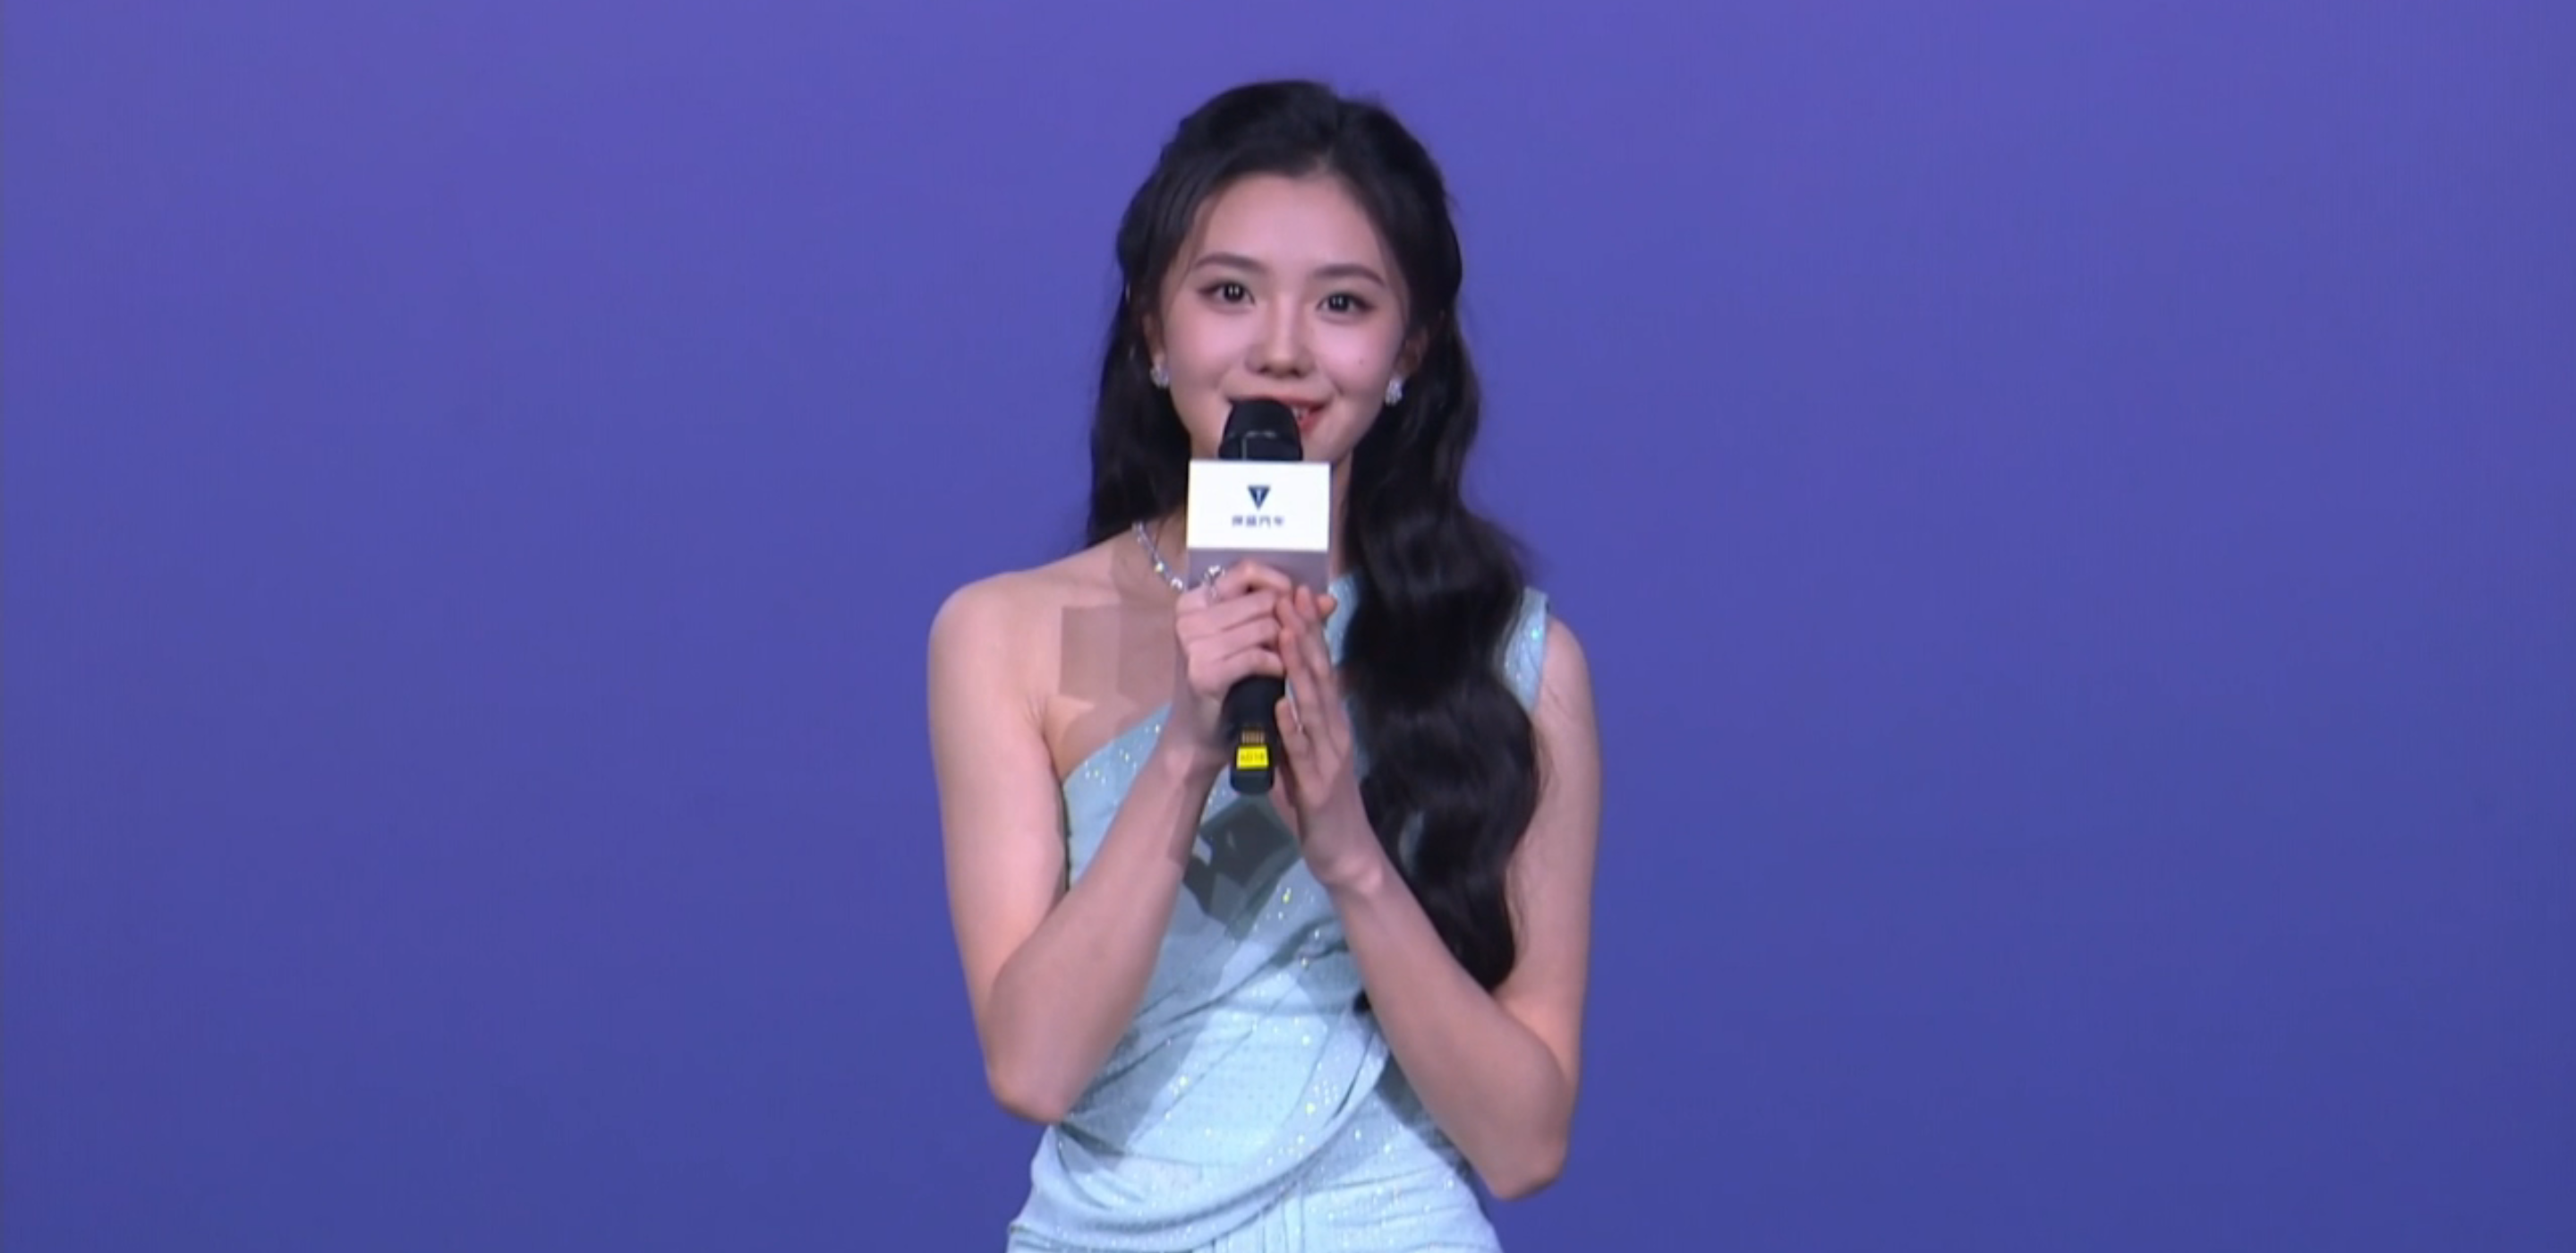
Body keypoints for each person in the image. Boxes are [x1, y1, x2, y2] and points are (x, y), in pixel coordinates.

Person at [926, 78, 1603, 1251]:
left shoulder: (1511, 662)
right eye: (1229, 293)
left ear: (1409, 350)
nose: (1282, 351)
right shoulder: (1006, 635)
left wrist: (1350, 856)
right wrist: (1185, 754)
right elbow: (1031, 1067)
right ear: (1154, 330)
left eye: (1342, 303)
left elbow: (1524, 1143)